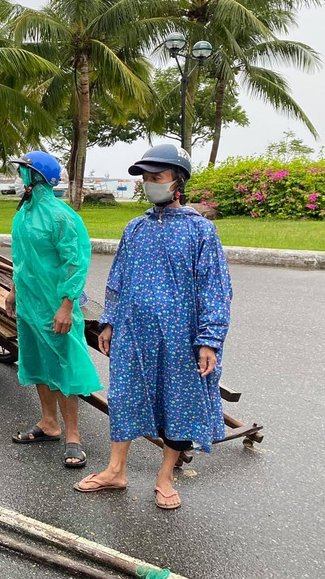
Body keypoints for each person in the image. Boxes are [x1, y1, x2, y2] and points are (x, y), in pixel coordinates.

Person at [75, 144, 231, 510]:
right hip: (134, 334)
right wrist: (109, 321)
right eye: (145, 178)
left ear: (177, 181)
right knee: (126, 397)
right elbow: (119, 279)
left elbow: (216, 289)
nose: (149, 184)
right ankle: (116, 470)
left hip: (182, 339)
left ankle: (164, 477)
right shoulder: (136, 228)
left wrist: (208, 341)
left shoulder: (201, 232)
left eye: (156, 177)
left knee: (180, 404)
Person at [7, 151, 102, 468]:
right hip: (29, 303)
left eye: (23, 171)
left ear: (36, 176)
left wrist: (66, 305)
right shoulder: (23, 214)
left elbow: (75, 263)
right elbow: (20, 260)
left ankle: (73, 437)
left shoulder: (62, 217)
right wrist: (12, 291)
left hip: (55, 305)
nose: (19, 176)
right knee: (37, 362)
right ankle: (49, 423)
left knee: (63, 365)